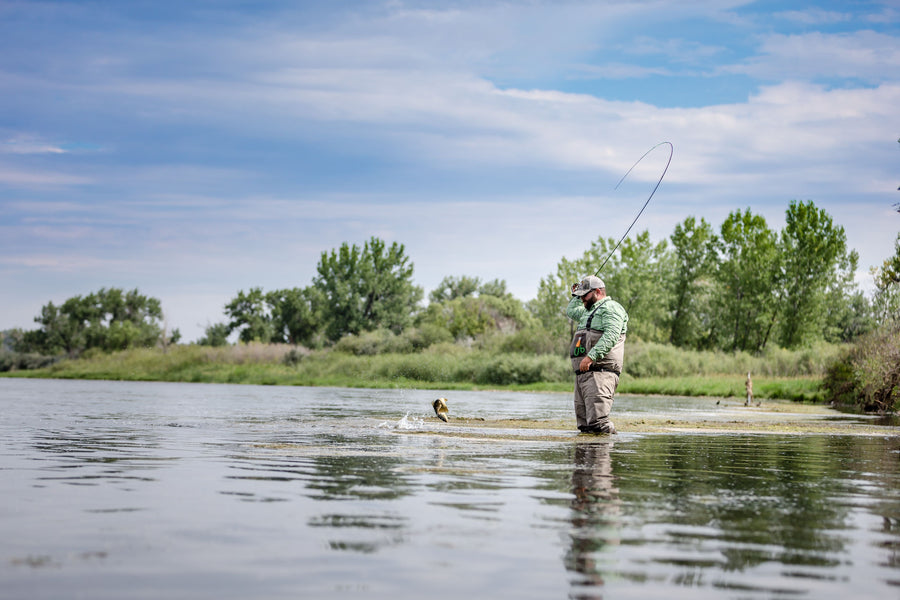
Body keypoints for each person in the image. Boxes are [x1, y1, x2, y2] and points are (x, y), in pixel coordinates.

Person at [566, 275, 628, 434]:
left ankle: (606, 453)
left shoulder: (612, 308)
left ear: (598, 291)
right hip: (583, 375)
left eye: (585, 295)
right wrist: (576, 294)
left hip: (600, 373)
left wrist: (590, 357)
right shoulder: (587, 311)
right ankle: (585, 458)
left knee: (598, 424)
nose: (582, 300)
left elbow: (611, 335)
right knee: (585, 427)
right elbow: (571, 310)